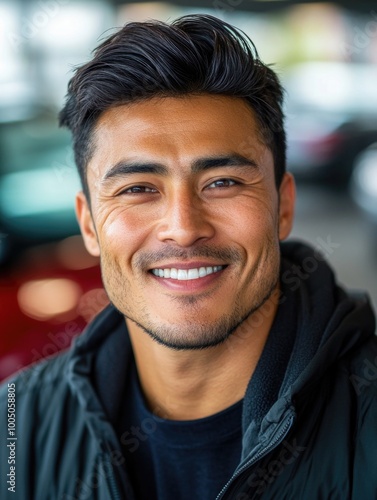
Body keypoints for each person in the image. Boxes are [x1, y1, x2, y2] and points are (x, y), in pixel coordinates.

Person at [1, 14, 376, 500]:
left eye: (222, 182)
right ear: (89, 224)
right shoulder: (17, 425)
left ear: (283, 205)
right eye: (137, 188)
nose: (183, 227)